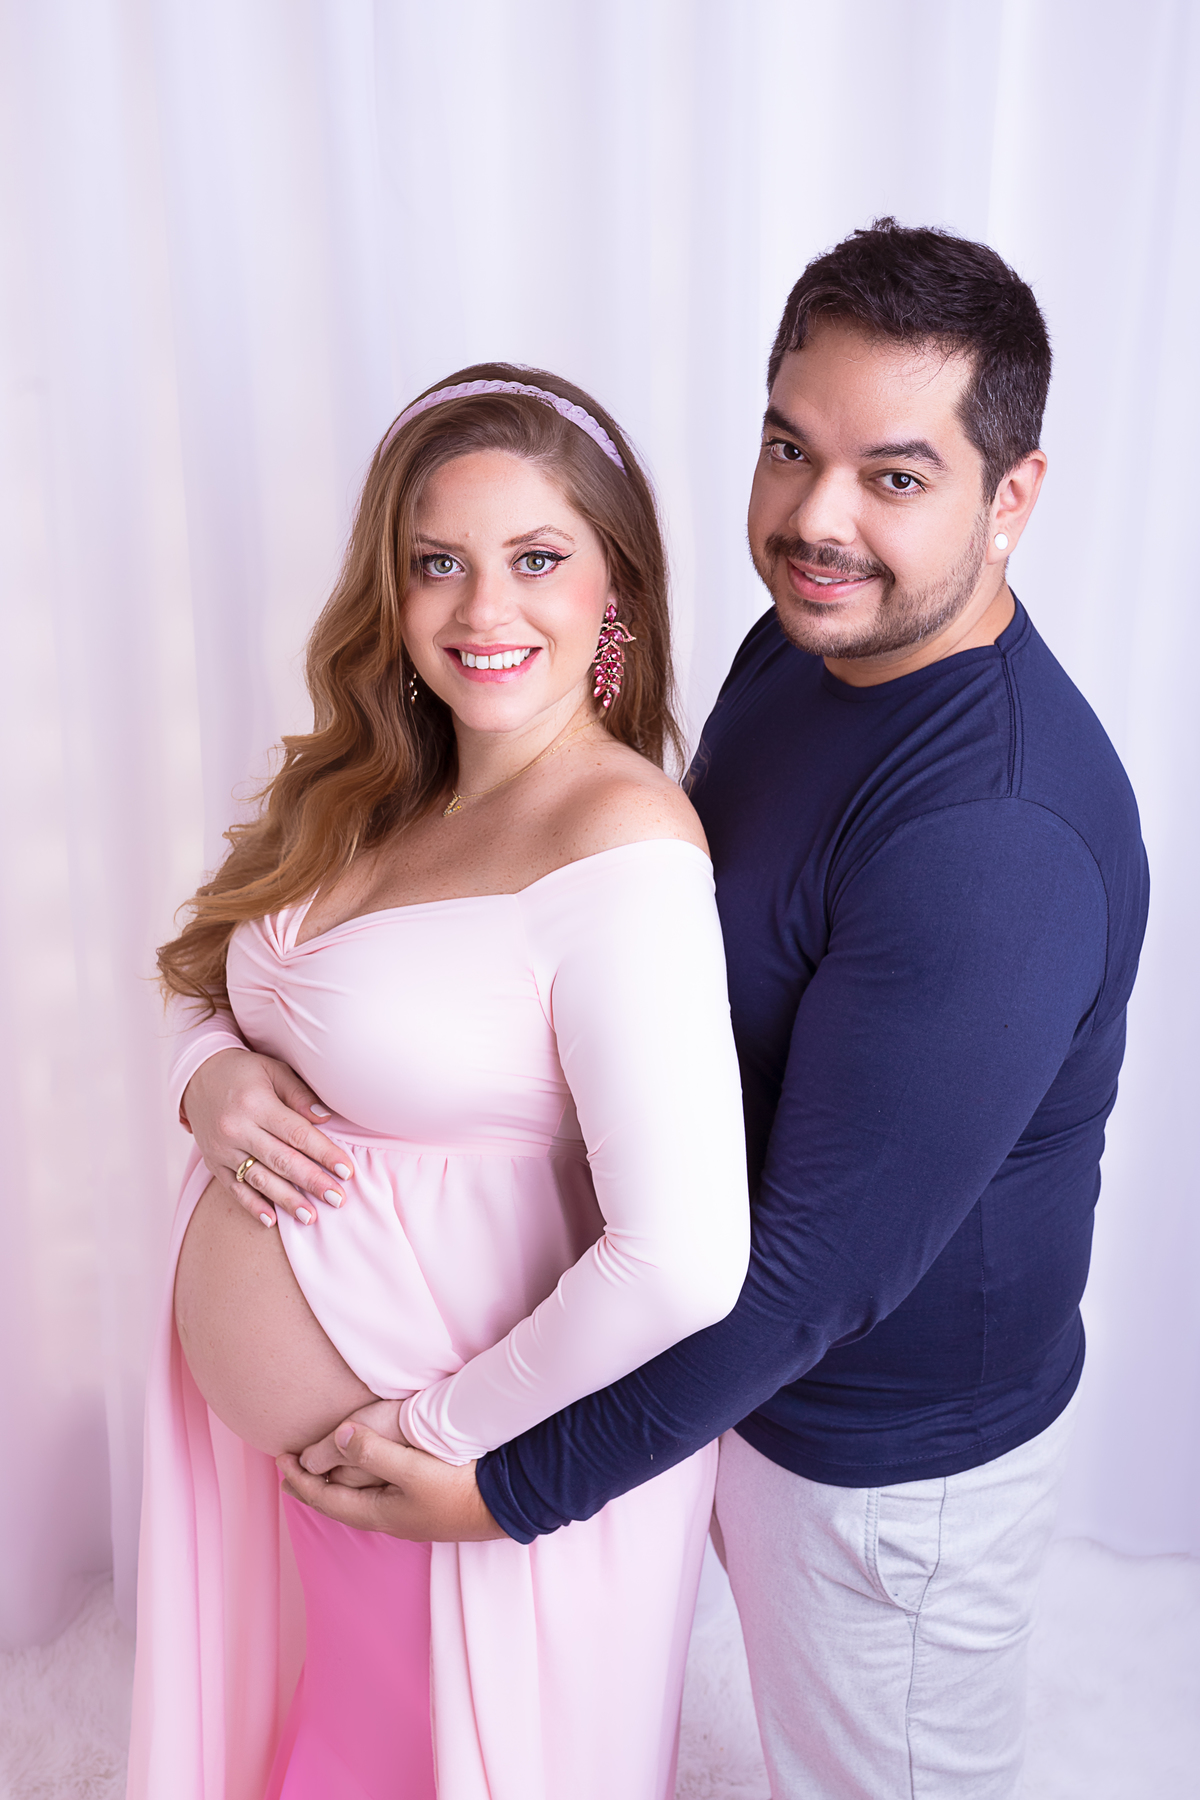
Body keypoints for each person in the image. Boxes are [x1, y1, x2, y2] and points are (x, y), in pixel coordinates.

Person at [280, 222, 1149, 1799]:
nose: (817, 519)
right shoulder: (810, 645)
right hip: (723, 1373)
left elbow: (817, 1276)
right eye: (790, 448)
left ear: (1011, 498)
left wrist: (507, 1487)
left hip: (879, 1461)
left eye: (896, 476)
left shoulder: (993, 838)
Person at [126, 365, 751, 1800]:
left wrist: (435, 1444)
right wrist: (206, 1075)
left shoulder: (623, 841)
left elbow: (684, 1257)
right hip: (336, 1476)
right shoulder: (369, 790)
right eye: (438, 564)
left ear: (616, 592)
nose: (483, 609)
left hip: (455, 1469)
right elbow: (212, 980)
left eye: (536, 558)